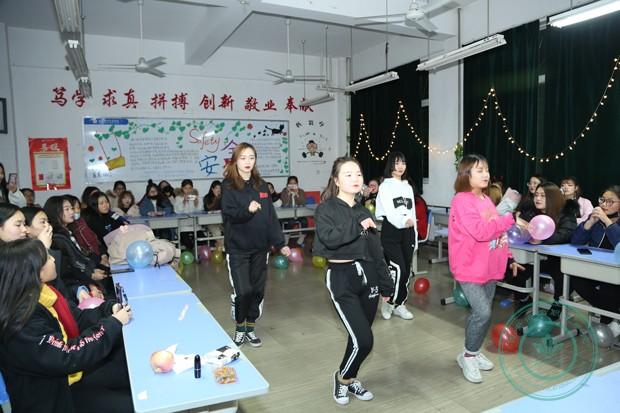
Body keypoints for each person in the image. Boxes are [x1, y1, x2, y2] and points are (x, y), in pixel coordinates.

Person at [0, 238, 133, 413]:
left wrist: (109, 309)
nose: (53, 259)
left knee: (129, 369)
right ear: (35, 270)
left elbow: (78, 318)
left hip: (68, 378)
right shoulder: (21, 320)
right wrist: (113, 324)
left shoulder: (45, 294)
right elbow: (68, 355)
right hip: (54, 399)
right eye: (47, 257)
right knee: (130, 405)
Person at [314, 156, 394, 405]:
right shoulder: (326, 209)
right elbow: (329, 240)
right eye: (348, 174)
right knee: (365, 340)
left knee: (358, 336)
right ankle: (342, 378)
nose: (355, 178)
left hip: (368, 276)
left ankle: (350, 378)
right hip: (341, 278)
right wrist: (358, 226)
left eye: (358, 173)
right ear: (336, 180)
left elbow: (376, 251)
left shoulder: (363, 210)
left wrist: (386, 284)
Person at [448, 154, 522, 384]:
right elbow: (481, 231)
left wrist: (509, 257)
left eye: (487, 170)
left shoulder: (486, 199)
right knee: (483, 313)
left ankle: (471, 350)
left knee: (481, 312)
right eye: (479, 170)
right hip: (469, 267)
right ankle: (469, 356)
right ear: (466, 174)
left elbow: (497, 232)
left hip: (490, 266)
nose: (486, 174)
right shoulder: (462, 200)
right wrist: (509, 218)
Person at [221, 143, 290, 347]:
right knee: (243, 291)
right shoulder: (228, 185)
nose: (248, 162)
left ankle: (250, 328)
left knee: (257, 291)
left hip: (260, 248)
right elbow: (229, 214)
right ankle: (239, 327)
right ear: (235, 161)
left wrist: (280, 243)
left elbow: (270, 217)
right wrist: (247, 210)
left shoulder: (262, 185)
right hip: (238, 249)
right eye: (243, 158)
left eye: (251, 157)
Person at [509, 182, 578, 318]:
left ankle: (558, 303)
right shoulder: (532, 212)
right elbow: (519, 227)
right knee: (515, 270)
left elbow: (565, 235)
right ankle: (524, 299)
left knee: (561, 274)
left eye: (542, 196)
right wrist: (517, 221)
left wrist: (542, 238)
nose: (538, 199)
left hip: (556, 259)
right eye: (536, 195)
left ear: (552, 198)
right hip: (534, 257)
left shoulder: (566, 214)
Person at [570, 185, 620, 336]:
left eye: (610, 201)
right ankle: (612, 316)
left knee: (608, 287)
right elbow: (576, 241)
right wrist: (589, 223)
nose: (604, 204)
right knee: (576, 281)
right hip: (596, 268)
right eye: (602, 200)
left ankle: (607, 321)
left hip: (616, 271)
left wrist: (607, 221)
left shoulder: (606, 220)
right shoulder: (596, 220)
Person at [375, 151, 417, 320]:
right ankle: (388, 301)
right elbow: (390, 212)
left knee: (406, 271)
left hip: (408, 232)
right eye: (397, 163)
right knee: (397, 269)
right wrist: (403, 220)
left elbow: (412, 213)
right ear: (390, 165)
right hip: (391, 231)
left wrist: (414, 236)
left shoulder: (408, 187)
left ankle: (400, 304)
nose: (400, 166)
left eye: (403, 163)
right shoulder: (385, 186)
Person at [44, 196, 111, 300]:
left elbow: (81, 256)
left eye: (71, 208)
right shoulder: (57, 238)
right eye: (67, 209)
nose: (72, 212)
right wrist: (91, 277)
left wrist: (92, 271)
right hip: (78, 284)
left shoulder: (68, 230)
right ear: (55, 212)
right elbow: (72, 265)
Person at [280, 176, 308, 247]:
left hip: (299, 214)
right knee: (290, 222)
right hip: (288, 214)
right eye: (290, 183)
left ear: (297, 184)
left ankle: (302, 236)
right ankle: (286, 235)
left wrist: (297, 194)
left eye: (294, 183)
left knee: (304, 221)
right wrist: (288, 194)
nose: (292, 185)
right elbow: (284, 204)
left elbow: (303, 203)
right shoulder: (284, 191)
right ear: (287, 184)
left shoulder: (301, 191)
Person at [203, 180, 224, 248]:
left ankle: (225, 246)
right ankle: (222, 247)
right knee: (217, 232)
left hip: (222, 221)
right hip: (210, 222)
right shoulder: (207, 197)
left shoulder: (224, 197)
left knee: (230, 229)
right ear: (212, 189)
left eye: (220, 188)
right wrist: (216, 200)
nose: (218, 190)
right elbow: (207, 208)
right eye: (216, 188)